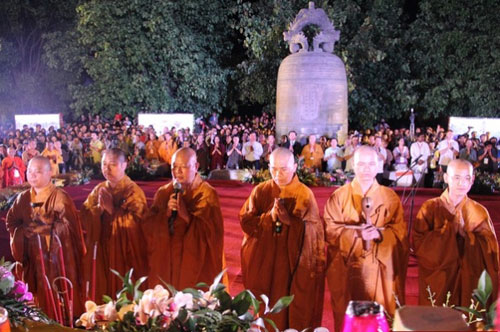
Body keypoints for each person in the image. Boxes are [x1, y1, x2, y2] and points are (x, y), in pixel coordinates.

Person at [324, 146, 408, 331]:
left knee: (381, 315)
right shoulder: (338, 197)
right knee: (349, 313)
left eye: (371, 164)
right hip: (349, 267)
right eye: (361, 164)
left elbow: (400, 233)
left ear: (379, 165)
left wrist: (379, 234)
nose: (366, 169)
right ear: (353, 165)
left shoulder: (390, 197)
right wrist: (356, 234)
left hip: (381, 268)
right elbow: (330, 231)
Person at [240, 148, 325, 330]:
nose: (278, 174)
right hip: (265, 265)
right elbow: (245, 221)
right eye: (273, 169)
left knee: (289, 312)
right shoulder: (260, 191)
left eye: (283, 169)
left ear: (294, 167)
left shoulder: (305, 195)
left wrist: (290, 222)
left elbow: (315, 233)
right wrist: (267, 218)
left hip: (291, 267)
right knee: (264, 309)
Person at [5, 156, 86, 317]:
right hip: (32, 257)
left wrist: (48, 229)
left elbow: (71, 229)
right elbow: (11, 222)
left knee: (57, 294)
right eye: (30, 171)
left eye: (38, 171)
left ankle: (62, 318)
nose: (33, 175)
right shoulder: (23, 198)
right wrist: (23, 233)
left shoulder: (60, 198)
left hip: (55, 259)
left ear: (50, 173)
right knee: (37, 299)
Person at [413, 159, 498, 306]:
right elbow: (419, 244)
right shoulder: (430, 208)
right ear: (446, 178)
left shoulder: (479, 211)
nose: (462, 183)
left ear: (472, 180)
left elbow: (491, 250)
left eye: (466, 178)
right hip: (440, 277)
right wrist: (447, 233)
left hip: (469, 278)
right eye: (456, 177)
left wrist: (468, 237)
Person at [144, 147, 224, 290]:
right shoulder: (164, 193)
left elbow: (212, 235)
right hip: (166, 263)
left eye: (183, 167)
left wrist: (186, 216)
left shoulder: (207, 194)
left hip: (192, 266)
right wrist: (165, 215)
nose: (177, 172)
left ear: (196, 166)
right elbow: (147, 226)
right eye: (174, 167)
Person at [80, 148, 148, 302]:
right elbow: (85, 215)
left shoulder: (133, 191)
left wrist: (111, 211)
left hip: (125, 253)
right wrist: (98, 210)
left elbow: (139, 225)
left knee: (124, 294)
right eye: (104, 164)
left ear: (124, 165)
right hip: (104, 248)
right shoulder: (99, 189)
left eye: (112, 164)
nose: (107, 169)